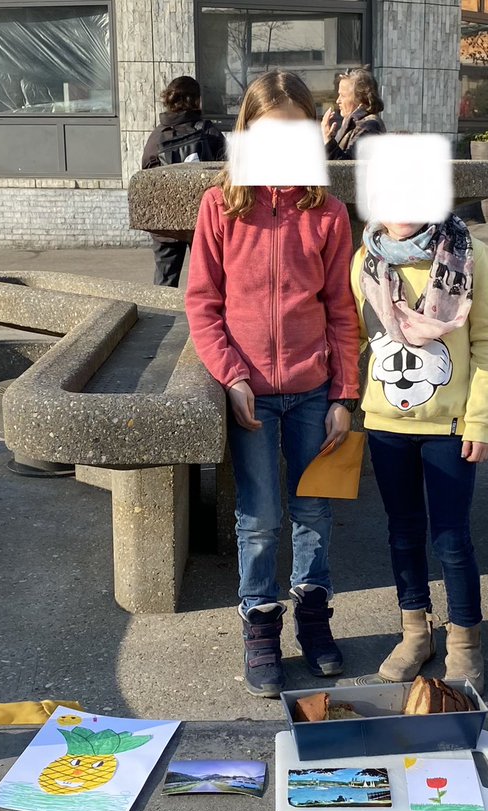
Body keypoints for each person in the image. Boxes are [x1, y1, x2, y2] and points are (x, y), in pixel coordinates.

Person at [185, 71, 362, 699]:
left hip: (315, 390)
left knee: (314, 509)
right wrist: (230, 376)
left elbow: (342, 311)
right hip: (251, 394)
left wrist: (344, 394)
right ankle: (260, 626)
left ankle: (314, 618)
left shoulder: (329, 212)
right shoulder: (220, 206)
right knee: (258, 518)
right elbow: (203, 305)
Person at [351, 215, 488, 694]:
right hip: (385, 424)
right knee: (402, 534)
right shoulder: (366, 259)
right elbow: (355, 336)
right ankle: (415, 633)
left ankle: (464, 641)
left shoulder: (471, 255)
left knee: (451, 539)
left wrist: (481, 421)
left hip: (450, 427)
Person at [142, 76, 227, 288]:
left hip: (165, 224)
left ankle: (159, 318)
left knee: (164, 280)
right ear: (196, 100)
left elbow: (147, 177)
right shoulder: (208, 132)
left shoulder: (157, 136)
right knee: (208, 278)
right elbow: (226, 171)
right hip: (202, 219)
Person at [322, 67, 387, 160]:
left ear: (360, 98)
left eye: (343, 96)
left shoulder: (369, 127)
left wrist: (328, 140)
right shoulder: (353, 124)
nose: (337, 101)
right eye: (338, 95)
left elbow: (348, 170)